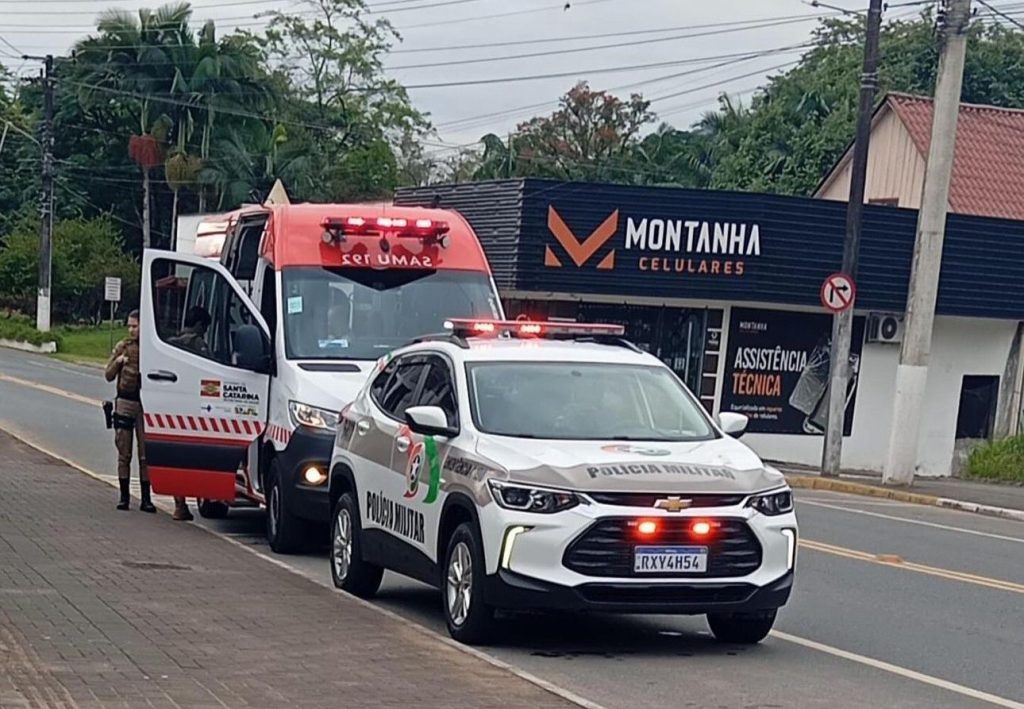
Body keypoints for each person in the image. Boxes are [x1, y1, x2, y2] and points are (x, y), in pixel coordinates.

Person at [105, 310, 156, 513]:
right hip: (125, 402)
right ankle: (124, 496)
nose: (131, 329)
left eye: (135, 325)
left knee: (145, 454)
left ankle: (146, 498)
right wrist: (118, 362)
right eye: (130, 326)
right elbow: (108, 375)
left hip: (145, 404)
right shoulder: (123, 347)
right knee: (124, 452)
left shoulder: (152, 348)